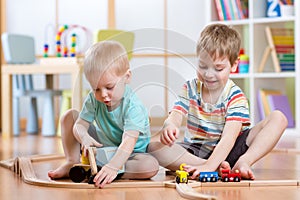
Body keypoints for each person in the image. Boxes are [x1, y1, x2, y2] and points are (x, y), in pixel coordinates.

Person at [147, 23, 287, 180]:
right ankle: (212, 167)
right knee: (153, 147)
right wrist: (170, 124)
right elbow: (177, 113)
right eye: (202, 66)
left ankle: (243, 162)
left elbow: (229, 137)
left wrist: (209, 167)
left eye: (218, 69)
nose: (209, 74)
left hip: (231, 150)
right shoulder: (190, 88)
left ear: (234, 65)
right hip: (196, 150)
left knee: (278, 118)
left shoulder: (235, 97)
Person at [48, 40, 159, 188]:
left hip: (130, 154)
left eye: (109, 87)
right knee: (69, 116)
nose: (103, 95)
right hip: (104, 145)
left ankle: (103, 171)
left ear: (126, 77)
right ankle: (72, 163)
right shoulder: (93, 99)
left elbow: (128, 142)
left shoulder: (133, 107)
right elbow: (79, 125)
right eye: (96, 89)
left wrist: (114, 166)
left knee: (149, 166)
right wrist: (85, 138)